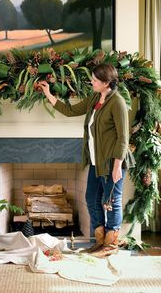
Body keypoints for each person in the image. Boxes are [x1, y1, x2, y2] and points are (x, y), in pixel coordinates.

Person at [38, 63, 135, 257]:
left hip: (112, 162)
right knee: (91, 199)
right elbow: (70, 111)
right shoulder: (94, 98)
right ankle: (100, 241)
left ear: (106, 83)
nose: (92, 82)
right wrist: (48, 93)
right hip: (95, 162)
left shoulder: (117, 102)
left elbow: (123, 138)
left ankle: (111, 245)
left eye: (95, 80)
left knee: (112, 202)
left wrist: (117, 166)